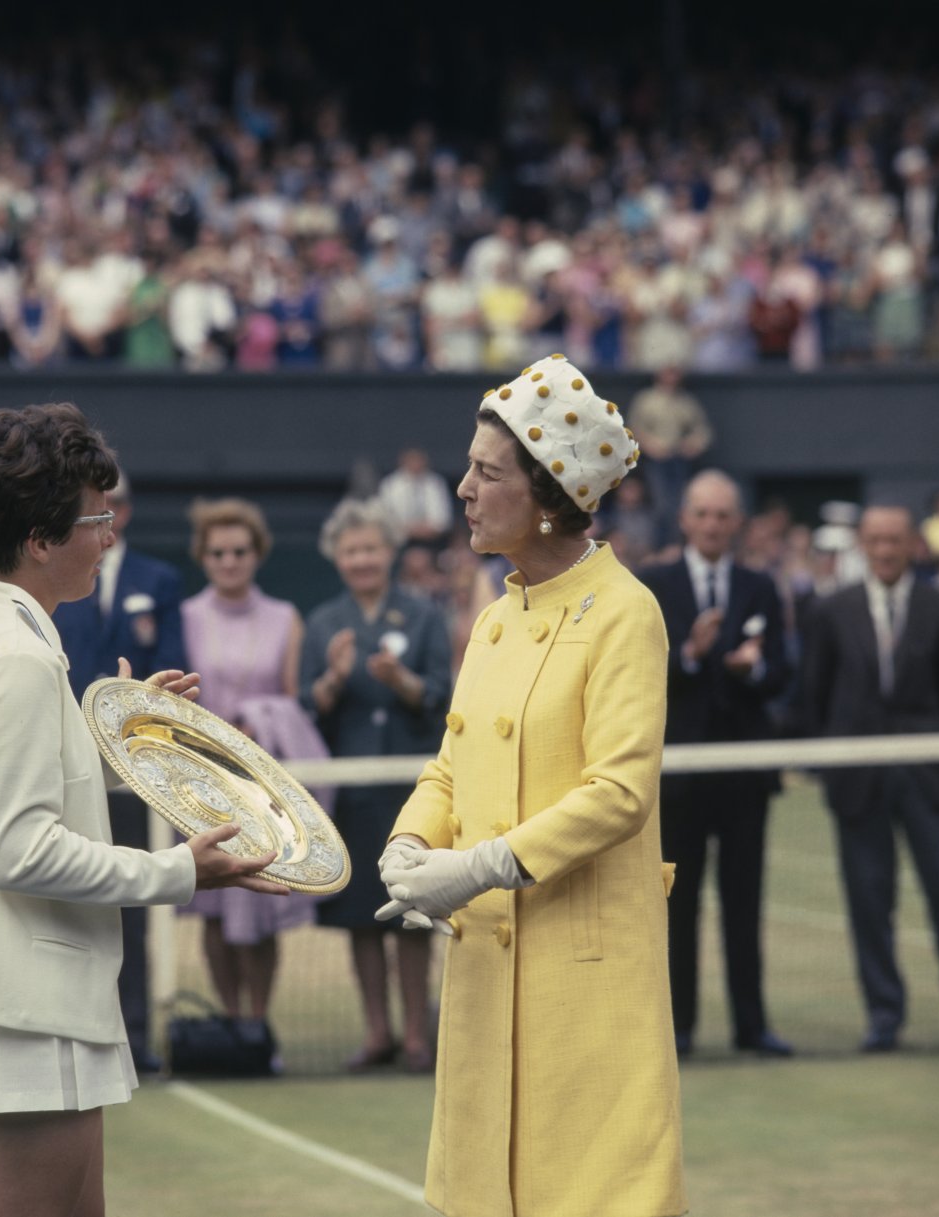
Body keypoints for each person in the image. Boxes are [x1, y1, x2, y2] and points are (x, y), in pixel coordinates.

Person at [0, 403, 285, 1217]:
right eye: (95, 519)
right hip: (18, 998)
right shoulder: (16, 658)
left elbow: (11, 788)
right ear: (40, 539)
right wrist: (183, 869)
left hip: (29, 993)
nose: (108, 536)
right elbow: (18, 848)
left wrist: (120, 740)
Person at [376, 354, 685, 1217]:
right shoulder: (493, 614)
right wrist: (410, 843)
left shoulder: (626, 610)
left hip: (583, 981)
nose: (462, 489)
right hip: (486, 974)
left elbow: (619, 791)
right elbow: (451, 760)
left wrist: (478, 867)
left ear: (548, 495)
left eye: (486, 472)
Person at [638, 470, 793, 1057]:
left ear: (738, 524)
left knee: (744, 901)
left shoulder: (760, 586)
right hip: (678, 776)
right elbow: (641, 673)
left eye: (722, 515)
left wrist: (752, 668)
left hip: (744, 774)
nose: (711, 524)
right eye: (701, 513)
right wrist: (695, 657)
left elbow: (781, 671)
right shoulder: (653, 584)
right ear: (684, 519)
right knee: (678, 904)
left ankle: (752, 1027)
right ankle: (678, 1029)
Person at [300, 498, 451, 1073]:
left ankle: (417, 1036)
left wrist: (401, 680)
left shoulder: (424, 615)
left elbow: (441, 694)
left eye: (371, 548)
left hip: (413, 788)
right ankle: (377, 1032)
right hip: (350, 792)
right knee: (362, 917)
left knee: (411, 913)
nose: (362, 559)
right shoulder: (323, 623)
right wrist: (334, 680)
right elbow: (305, 709)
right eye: (352, 549)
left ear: (391, 552)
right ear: (336, 557)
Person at [52, 470, 187, 1073]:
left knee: (131, 898)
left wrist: (133, 719)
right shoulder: (56, 585)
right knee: (66, 898)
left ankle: (133, 1034)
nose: (111, 520)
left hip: (133, 768)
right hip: (61, 764)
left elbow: (173, 667)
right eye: (99, 512)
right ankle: (71, 1032)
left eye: (117, 508)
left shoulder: (158, 579)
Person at [801, 505, 939, 1052]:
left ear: (913, 543)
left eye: (895, 540)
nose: (885, 551)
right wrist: (828, 764)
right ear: (862, 545)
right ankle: (884, 1015)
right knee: (869, 898)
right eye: (876, 541)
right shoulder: (831, 611)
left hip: (931, 781)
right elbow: (813, 694)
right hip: (858, 782)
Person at [181, 498, 325, 1029]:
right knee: (214, 907)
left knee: (259, 906)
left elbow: (291, 700)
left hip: (262, 785)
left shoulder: (285, 617)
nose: (229, 561)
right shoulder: (187, 616)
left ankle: (258, 1027)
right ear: (203, 557)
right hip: (199, 780)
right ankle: (230, 1022)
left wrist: (255, 723)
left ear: (257, 554)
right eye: (218, 552)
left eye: (239, 551)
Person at [623, 364, 713, 545]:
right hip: (652, 462)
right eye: (668, 371)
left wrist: (692, 445)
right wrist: (651, 445)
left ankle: (677, 545)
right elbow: (633, 429)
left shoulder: (686, 401)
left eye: (675, 372)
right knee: (659, 506)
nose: (672, 376)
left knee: (680, 505)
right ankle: (657, 546)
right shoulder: (647, 399)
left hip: (679, 460)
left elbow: (703, 432)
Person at [377, 447, 455, 549]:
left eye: (418, 460)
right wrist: (409, 529)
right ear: (403, 462)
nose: (415, 464)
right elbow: (385, 517)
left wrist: (428, 529)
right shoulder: (390, 484)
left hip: (433, 541)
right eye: (412, 461)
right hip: (399, 542)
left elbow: (444, 519)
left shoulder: (436, 483)